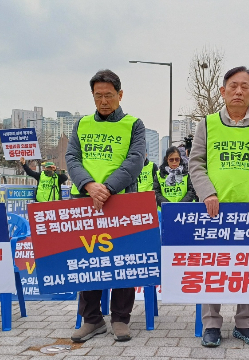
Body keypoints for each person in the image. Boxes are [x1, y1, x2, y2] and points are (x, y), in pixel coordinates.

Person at [189, 66, 249, 347]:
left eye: (244, 86)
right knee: (211, 267)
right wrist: (207, 194)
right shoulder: (207, 124)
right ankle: (211, 325)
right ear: (223, 91)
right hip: (213, 213)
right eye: (233, 86)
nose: (238, 91)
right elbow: (196, 163)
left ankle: (244, 323)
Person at [66, 69, 146, 343]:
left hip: (122, 201)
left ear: (120, 95)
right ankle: (92, 319)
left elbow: (135, 160)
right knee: (89, 261)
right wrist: (89, 185)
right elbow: (72, 158)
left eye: (108, 95)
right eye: (98, 95)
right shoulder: (81, 124)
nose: (103, 101)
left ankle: (121, 318)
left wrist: (108, 187)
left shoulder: (134, 124)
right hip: (87, 202)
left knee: (123, 260)